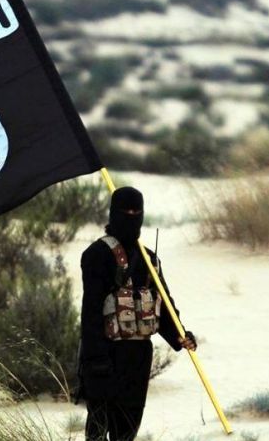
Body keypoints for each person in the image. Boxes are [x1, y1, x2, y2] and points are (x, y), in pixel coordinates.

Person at [75, 186, 197, 441]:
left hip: (138, 357)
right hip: (104, 356)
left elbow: (163, 304)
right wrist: (96, 360)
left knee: (128, 429)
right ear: (113, 214)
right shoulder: (97, 255)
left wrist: (180, 336)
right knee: (97, 428)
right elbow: (91, 313)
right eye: (125, 212)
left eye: (136, 212)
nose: (131, 217)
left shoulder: (149, 259)